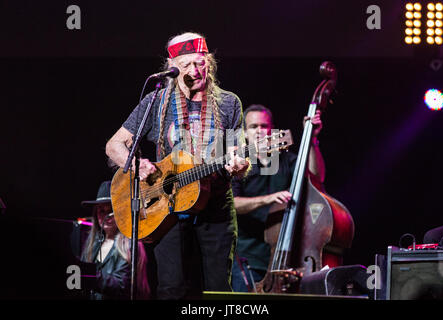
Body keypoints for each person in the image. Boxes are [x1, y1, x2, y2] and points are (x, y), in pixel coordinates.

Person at [105, 32, 249, 299]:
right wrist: (136, 164)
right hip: (166, 209)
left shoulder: (228, 103)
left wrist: (239, 164)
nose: (196, 71)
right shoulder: (156, 102)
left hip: (215, 207)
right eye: (186, 66)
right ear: (172, 69)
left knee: (218, 290)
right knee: (172, 289)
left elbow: (236, 152)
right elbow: (114, 145)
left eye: (201, 63)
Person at [231, 104, 325, 292]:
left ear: (272, 130)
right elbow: (232, 204)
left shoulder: (286, 159)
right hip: (248, 256)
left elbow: (317, 177)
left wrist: (312, 139)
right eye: (253, 127)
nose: (259, 132)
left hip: (286, 255)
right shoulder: (238, 164)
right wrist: (269, 199)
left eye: (264, 126)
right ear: (245, 134)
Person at [81, 181, 150, 300]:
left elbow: (121, 287)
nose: (107, 216)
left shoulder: (130, 245)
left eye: (112, 210)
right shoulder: (92, 243)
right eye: (102, 210)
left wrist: (90, 277)